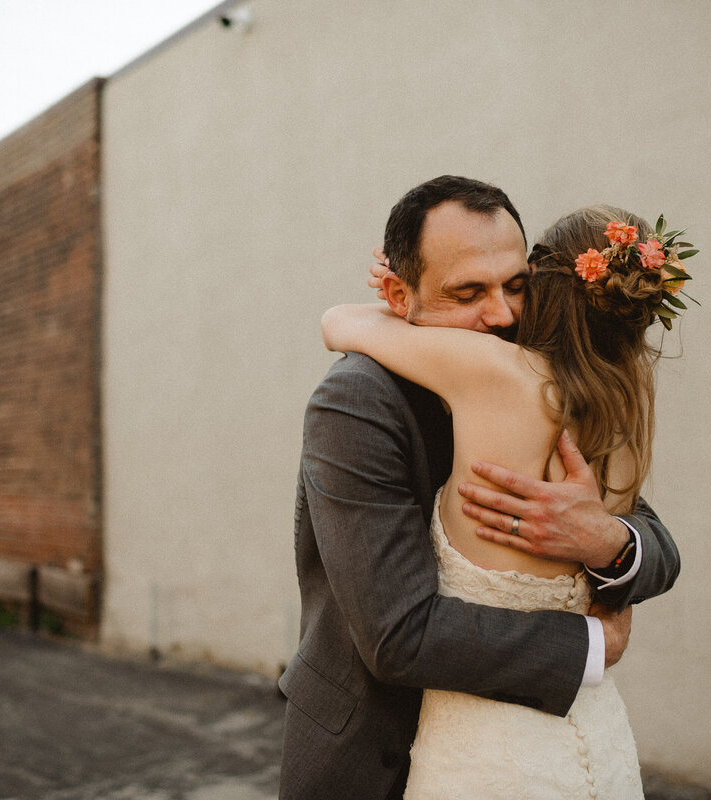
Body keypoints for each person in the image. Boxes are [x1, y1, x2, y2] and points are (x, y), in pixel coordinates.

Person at [278, 176, 681, 799]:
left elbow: (659, 546)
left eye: (516, 286)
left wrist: (607, 542)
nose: (502, 315)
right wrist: (592, 644)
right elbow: (398, 634)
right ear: (396, 294)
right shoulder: (356, 401)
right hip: (377, 751)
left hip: (530, 745)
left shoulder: (551, 381)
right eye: (468, 292)